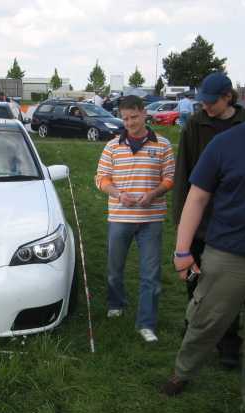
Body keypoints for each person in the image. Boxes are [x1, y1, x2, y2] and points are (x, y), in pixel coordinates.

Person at [162, 70, 245, 413]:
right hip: (228, 255)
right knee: (206, 321)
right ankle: (183, 372)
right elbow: (196, 197)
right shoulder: (226, 144)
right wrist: (183, 250)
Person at [172, 72, 245, 368]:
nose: (206, 108)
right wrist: (181, 221)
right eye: (202, 102)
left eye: (211, 102)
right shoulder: (195, 124)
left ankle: (229, 343)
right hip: (198, 222)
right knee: (195, 282)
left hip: (233, 224)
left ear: (228, 97)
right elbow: (184, 172)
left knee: (231, 288)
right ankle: (192, 332)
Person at [95, 95, 175, 343]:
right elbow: (101, 179)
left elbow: (170, 179)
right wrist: (118, 194)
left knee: (150, 274)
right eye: (125, 118)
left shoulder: (163, 145)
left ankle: (146, 323)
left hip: (151, 219)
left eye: (134, 117)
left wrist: (154, 193)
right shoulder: (112, 147)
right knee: (114, 270)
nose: (129, 123)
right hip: (120, 217)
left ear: (144, 114)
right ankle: (116, 303)